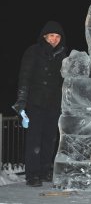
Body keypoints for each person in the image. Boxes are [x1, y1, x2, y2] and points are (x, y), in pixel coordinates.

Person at [12, 21, 67, 187]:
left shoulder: (62, 55)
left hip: (53, 104)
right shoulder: (33, 51)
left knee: (49, 140)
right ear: (45, 36)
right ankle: (32, 175)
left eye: (57, 36)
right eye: (51, 35)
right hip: (35, 103)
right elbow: (25, 77)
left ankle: (45, 171)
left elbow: (65, 82)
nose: (54, 39)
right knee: (34, 141)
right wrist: (21, 102)